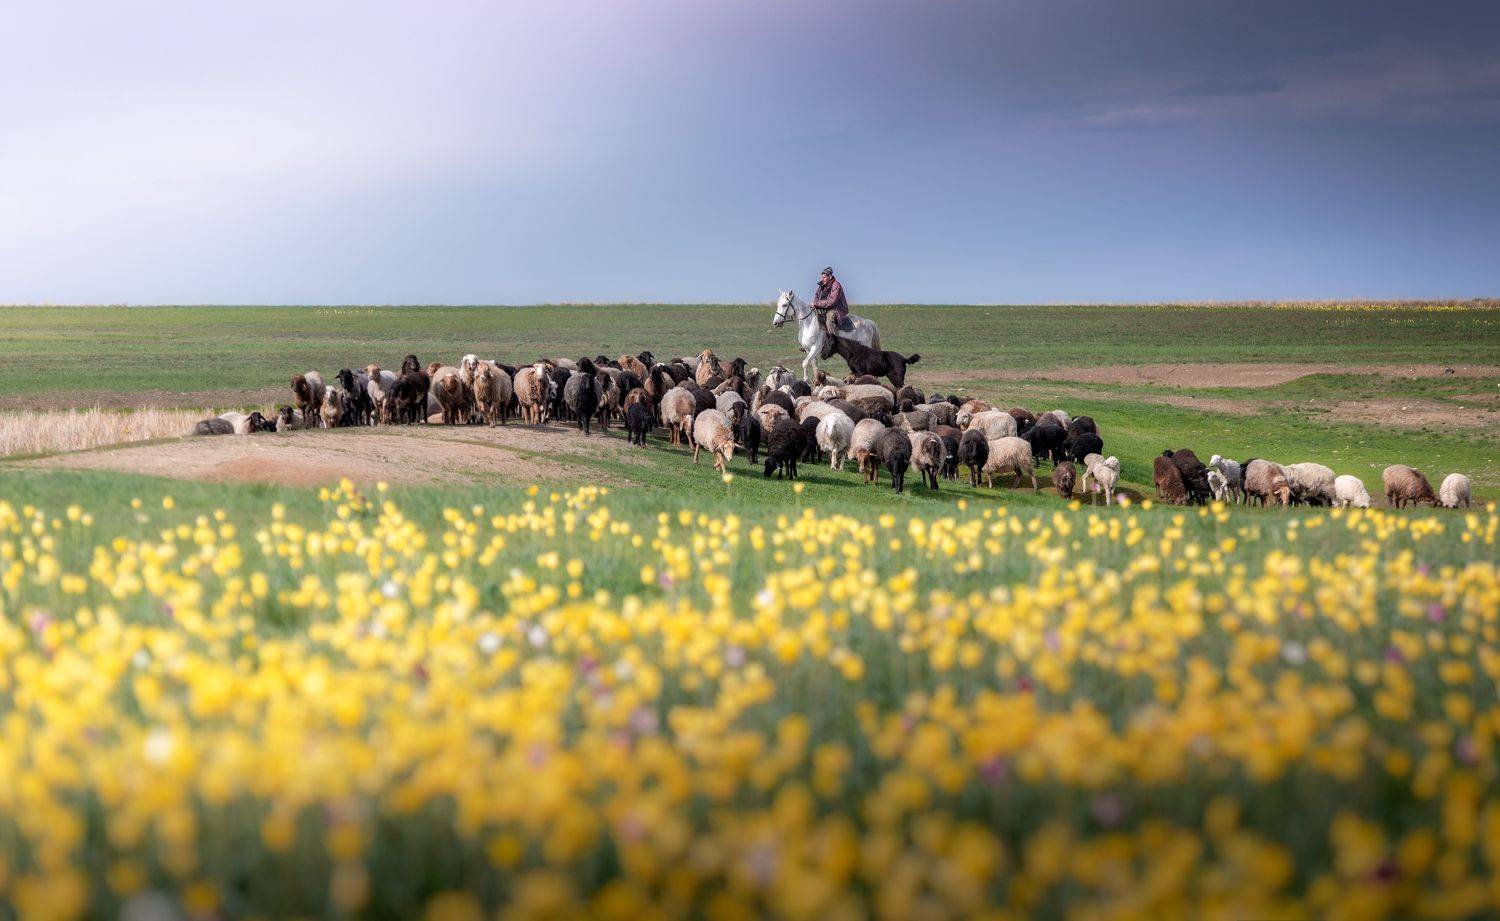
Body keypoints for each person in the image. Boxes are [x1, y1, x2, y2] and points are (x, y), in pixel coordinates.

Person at [811, 267, 848, 340]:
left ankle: (834, 341)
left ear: (830, 277)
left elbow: (831, 301)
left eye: (824, 277)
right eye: (822, 277)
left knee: (829, 321)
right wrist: (815, 304)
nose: (822, 279)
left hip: (836, 309)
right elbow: (817, 296)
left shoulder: (836, 285)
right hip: (824, 308)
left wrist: (816, 304)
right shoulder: (821, 285)